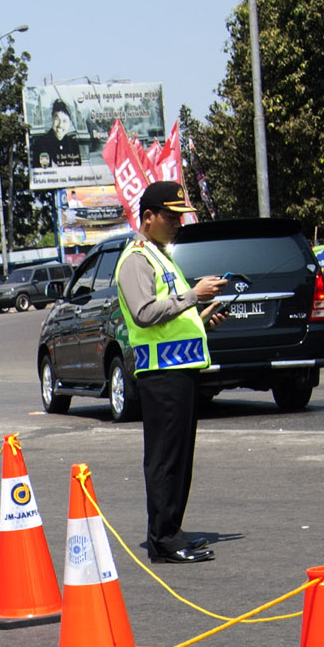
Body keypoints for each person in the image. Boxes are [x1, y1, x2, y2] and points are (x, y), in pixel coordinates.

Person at [116, 179, 227, 562]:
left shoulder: (161, 255)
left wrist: (201, 317)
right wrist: (194, 295)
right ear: (148, 217)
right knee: (165, 458)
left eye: (181, 215)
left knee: (180, 458)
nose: (178, 222)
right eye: (171, 215)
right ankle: (163, 540)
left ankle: (173, 531)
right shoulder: (135, 259)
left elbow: (171, 316)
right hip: (160, 375)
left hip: (179, 369)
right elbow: (144, 314)